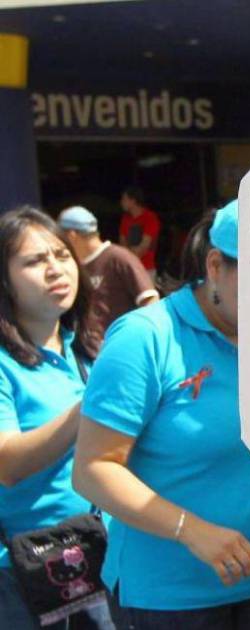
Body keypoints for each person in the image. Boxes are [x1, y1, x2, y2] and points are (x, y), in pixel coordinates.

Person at [72, 201, 250, 629]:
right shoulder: (145, 338)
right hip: (168, 598)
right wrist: (190, 530)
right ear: (215, 266)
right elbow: (93, 469)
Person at [0, 206, 113, 629]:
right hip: (28, 570)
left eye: (62, 255)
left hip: (105, 553)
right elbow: (7, 463)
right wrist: (91, 406)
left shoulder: (89, 349)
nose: (55, 269)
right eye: (34, 261)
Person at [58, 206, 158, 352]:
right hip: (88, 352)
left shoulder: (119, 258)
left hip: (121, 350)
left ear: (72, 236)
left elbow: (150, 301)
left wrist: (136, 341)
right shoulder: (75, 266)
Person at [117, 187, 160, 281]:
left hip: (146, 269)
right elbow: (122, 244)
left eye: (124, 199)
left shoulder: (149, 218)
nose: (121, 202)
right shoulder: (125, 219)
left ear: (133, 201)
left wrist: (128, 253)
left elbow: (143, 248)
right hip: (128, 269)